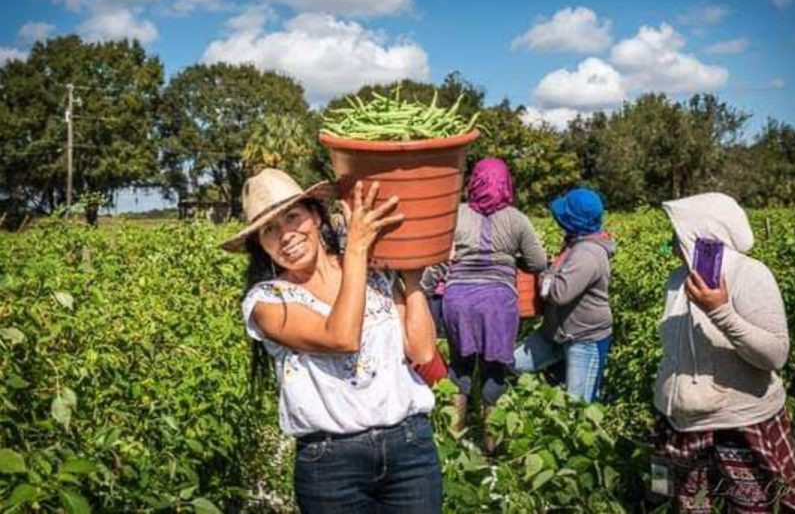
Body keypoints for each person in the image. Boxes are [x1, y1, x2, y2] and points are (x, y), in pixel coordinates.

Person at [222, 168, 442, 513]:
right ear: (260, 245)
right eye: (269, 230)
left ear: (315, 215)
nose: (286, 236)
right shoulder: (267, 302)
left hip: (410, 449)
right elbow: (341, 337)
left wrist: (411, 274)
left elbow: (422, 349)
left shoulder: (375, 273)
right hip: (332, 465)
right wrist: (355, 248)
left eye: (293, 217)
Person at [651, 192, 795, 512]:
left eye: (677, 234)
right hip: (682, 425)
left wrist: (720, 311)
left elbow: (776, 355)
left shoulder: (751, 275)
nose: (671, 243)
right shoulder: (678, 279)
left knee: (751, 505)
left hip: (738, 425)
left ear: (700, 235)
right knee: (685, 504)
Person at [442, 158, 547, 453]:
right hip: (498, 302)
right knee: (493, 371)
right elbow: (538, 263)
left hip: (458, 298)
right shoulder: (517, 219)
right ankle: (493, 451)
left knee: (459, 368)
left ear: (473, 182)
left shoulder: (456, 215)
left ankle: (452, 445)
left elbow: (440, 254)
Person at [514, 187, 615, 403]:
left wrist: (543, 273)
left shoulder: (587, 253)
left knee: (579, 407)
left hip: (584, 339)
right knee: (512, 364)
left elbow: (559, 293)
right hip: (555, 334)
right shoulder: (575, 244)